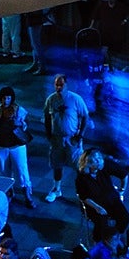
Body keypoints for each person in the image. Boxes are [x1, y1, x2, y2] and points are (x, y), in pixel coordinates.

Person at [0, 85, 36, 207]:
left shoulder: (19, 110)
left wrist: (19, 123)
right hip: (0, 146)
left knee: (22, 170)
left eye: (8, 98)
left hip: (16, 145)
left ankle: (27, 194)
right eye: (4, 98)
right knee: (4, 171)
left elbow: (27, 123)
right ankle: (9, 193)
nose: (6, 101)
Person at [44, 75, 90, 203]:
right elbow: (47, 117)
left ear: (66, 85)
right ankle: (56, 189)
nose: (58, 87)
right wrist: (48, 134)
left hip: (72, 139)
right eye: (56, 85)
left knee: (78, 166)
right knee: (56, 164)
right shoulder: (51, 99)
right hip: (57, 139)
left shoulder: (75, 99)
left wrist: (80, 135)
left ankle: (83, 192)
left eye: (61, 85)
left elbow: (85, 116)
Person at [75, 150, 129, 239]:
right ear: (88, 164)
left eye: (100, 158)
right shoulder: (81, 178)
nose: (100, 162)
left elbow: (123, 174)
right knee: (101, 223)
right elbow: (83, 197)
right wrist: (98, 208)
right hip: (93, 205)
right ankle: (99, 242)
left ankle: (114, 236)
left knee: (125, 217)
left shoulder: (105, 165)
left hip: (111, 200)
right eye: (96, 160)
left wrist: (122, 190)